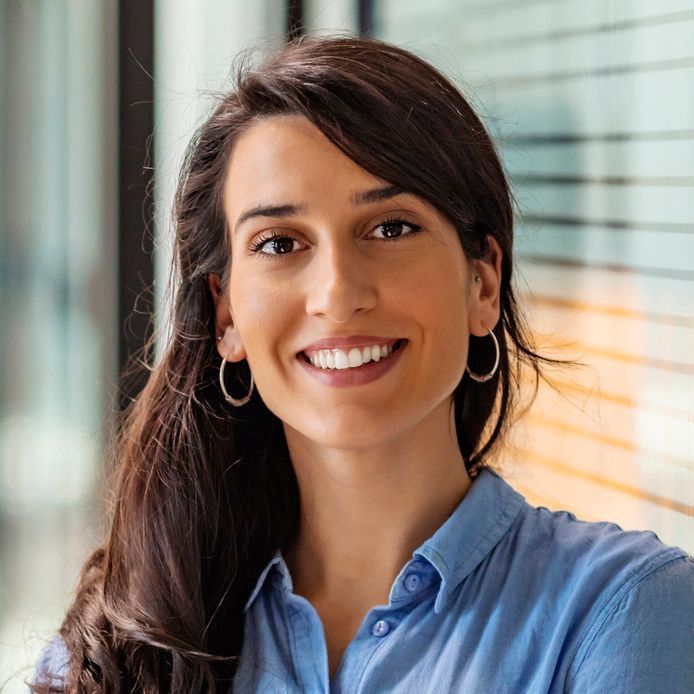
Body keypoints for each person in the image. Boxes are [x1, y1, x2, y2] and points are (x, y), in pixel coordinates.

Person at [32, 35, 693, 693]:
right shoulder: (114, 651)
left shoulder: (621, 613)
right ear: (226, 315)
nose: (339, 293)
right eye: (280, 242)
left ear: (484, 284)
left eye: (390, 228)